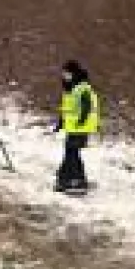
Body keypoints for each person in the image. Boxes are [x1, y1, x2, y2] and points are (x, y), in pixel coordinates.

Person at [54, 59, 100, 192]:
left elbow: (86, 106)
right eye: (64, 74)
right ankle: (69, 178)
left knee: (72, 152)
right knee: (71, 152)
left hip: (81, 127)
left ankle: (72, 179)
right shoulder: (70, 89)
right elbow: (68, 109)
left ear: (74, 73)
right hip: (73, 127)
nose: (65, 76)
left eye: (67, 74)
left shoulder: (82, 88)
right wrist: (61, 123)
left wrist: (81, 120)